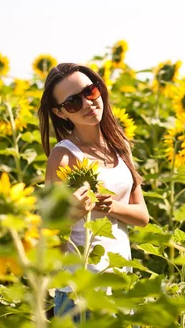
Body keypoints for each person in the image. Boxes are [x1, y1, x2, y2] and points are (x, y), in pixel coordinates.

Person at [38, 62, 149, 323]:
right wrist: (70, 214)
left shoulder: (120, 146)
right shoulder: (63, 156)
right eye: (74, 102)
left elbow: (142, 216)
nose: (88, 104)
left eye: (90, 92)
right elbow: (50, 238)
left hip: (120, 285)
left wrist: (111, 206)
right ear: (61, 112)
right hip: (80, 292)